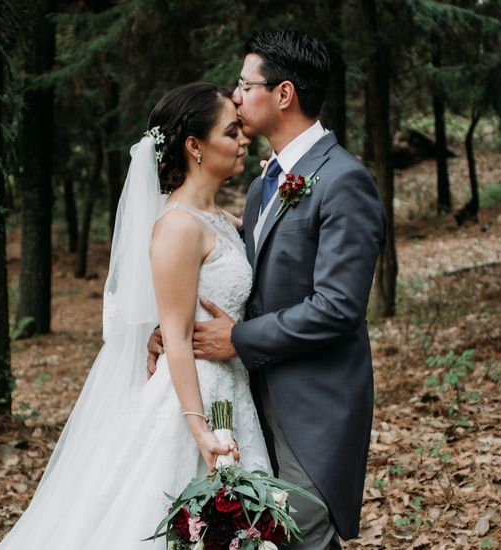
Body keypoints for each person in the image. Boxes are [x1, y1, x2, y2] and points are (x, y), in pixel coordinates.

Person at [0, 82, 271, 549]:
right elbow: (178, 338)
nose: (244, 140)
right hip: (192, 400)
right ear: (194, 147)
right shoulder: (178, 226)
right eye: (231, 132)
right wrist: (199, 429)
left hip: (232, 387)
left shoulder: (220, 219)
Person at [148, 31, 387, 550]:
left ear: (283, 94)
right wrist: (175, 324)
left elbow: (340, 307)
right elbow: (235, 277)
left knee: (306, 537)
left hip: (312, 405)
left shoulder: (343, 181)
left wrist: (240, 339)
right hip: (247, 401)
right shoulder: (265, 184)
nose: (235, 97)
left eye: (244, 84)